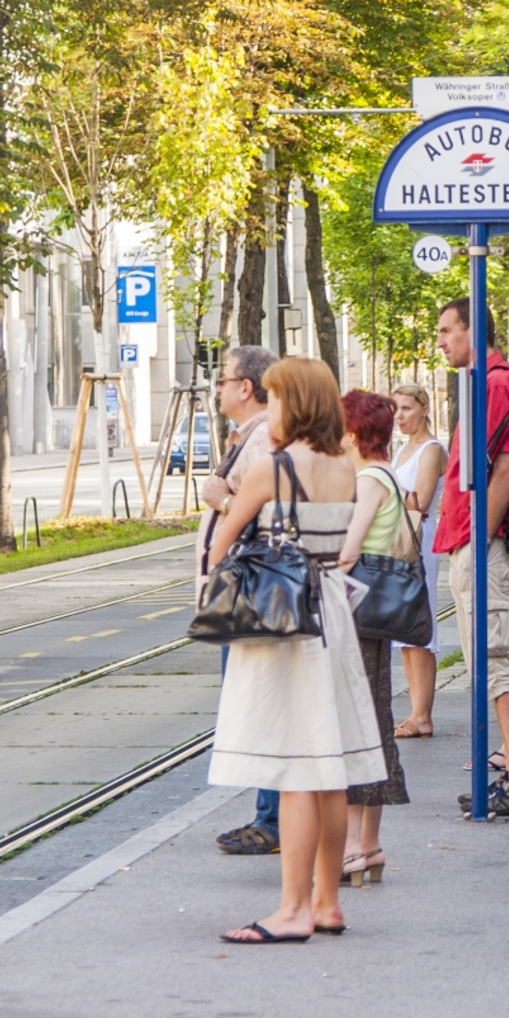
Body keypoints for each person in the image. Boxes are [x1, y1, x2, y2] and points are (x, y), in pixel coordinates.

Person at [205, 358, 384, 942]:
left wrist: (218, 497)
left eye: (277, 399)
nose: (271, 409)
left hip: (284, 623)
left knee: (295, 768)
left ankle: (291, 909)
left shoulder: (273, 469)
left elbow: (219, 551)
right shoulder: (344, 464)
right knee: (329, 768)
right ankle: (328, 902)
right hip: (331, 610)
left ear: (294, 403)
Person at [431, 297, 509, 818]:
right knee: (491, 661)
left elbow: (507, 467)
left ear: (476, 331)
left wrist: (480, 538)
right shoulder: (486, 381)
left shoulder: (495, 383)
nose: (442, 339)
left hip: (486, 543)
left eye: (449, 329)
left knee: (497, 661)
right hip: (477, 539)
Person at [200, 344, 284, 859]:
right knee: (256, 707)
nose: (218, 388)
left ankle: (271, 820)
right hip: (246, 592)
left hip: (252, 594)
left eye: (223, 380)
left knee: (262, 708)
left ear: (246, 387)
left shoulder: (264, 442)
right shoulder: (249, 437)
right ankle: (268, 815)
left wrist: (222, 501)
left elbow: (268, 518)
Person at [336, 390, 414, 884]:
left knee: (357, 724)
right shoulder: (387, 474)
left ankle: (353, 846)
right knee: (374, 717)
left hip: (357, 613)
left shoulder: (368, 479)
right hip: (376, 614)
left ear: (353, 433)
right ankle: (369, 845)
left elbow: (349, 549)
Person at [388, 383, 448, 739]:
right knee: (403, 632)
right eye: (396, 409)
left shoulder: (430, 450)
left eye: (407, 408)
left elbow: (420, 501)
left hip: (418, 541)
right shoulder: (400, 449)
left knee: (419, 628)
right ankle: (415, 710)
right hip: (399, 540)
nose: (400, 416)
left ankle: (422, 713)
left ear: (424, 409)